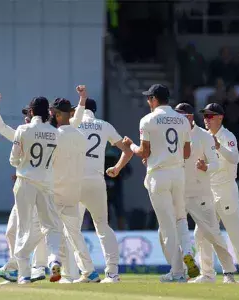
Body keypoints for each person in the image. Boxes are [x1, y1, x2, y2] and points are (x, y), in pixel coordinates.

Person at [0, 87, 87, 284]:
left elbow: (13, 160)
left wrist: (23, 162)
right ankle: (53, 260)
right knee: (51, 226)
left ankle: (24, 274)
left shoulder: (23, 130)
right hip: (46, 184)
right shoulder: (55, 132)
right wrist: (82, 101)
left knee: (24, 229)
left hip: (25, 183)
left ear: (31, 112)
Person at [123, 84, 199, 282]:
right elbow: (187, 153)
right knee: (181, 219)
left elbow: (144, 152)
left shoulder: (148, 120)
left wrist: (130, 145)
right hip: (178, 174)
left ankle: (177, 272)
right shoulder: (182, 120)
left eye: (149, 98)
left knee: (166, 226)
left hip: (159, 175)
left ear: (155, 99)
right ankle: (189, 253)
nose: (148, 101)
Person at [66, 97, 133, 283]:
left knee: (71, 229)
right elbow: (127, 151)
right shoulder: (104, 125)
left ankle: (85, 271)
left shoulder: (71, 124)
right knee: (103, 227)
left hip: (74, 182)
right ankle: (112, 273)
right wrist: (117, 169)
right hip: (96, 181)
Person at [172, 103, 238, 284]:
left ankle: (229, 272)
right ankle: (204, 274)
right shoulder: (173, 135)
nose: (177, 120)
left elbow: (216, 164)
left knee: (212, 233)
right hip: (180, 192)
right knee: (185, 235)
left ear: (190, 117)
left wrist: (205, 167)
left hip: (200, 193)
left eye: (181, 116)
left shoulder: (204, 136)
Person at [200, 102, 239, 283]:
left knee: (234, 231)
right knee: (201, 233)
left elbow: (234, 158)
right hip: (208, 190)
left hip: (226, 189)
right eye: (205, 116)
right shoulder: (204, 136)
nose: (206, 120)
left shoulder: (227, 136)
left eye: (209, 116)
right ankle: (208, 274)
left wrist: (218, 146)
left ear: (220, 118)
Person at [50, 98, 100, 283]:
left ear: (57, 114)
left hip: (55, 190)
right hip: (73, 190)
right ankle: (89, 271)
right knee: (74, 234)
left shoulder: (54, 135)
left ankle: (59, 266)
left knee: (52, 231)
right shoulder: (80, 135)